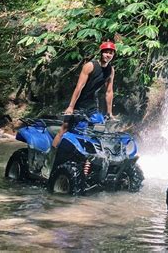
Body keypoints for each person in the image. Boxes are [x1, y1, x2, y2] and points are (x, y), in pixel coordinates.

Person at [43, 41, 116, 177]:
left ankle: (90, 168)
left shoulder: (111, 70)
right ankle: (48, 164)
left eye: (111, 53)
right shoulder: (89, 66)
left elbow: (109, 92)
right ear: (101, 53)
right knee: (64, 128)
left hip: (92, 105)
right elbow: (79, 87)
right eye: (106, 52)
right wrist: (71, 107)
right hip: (79, 102)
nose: (108, 55)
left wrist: (109, 113)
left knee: (96, 132)